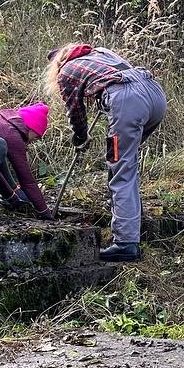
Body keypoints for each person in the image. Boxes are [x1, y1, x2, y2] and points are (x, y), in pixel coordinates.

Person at [43, 43, 167, 262]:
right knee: (126, 166)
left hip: (129, 102)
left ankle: (125, 243)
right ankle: (132, 224)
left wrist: (80, 137)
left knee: (121, 170)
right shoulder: (101, 54)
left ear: (57, 63)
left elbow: (76, 112)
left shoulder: (66, 72)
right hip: (154, 95)